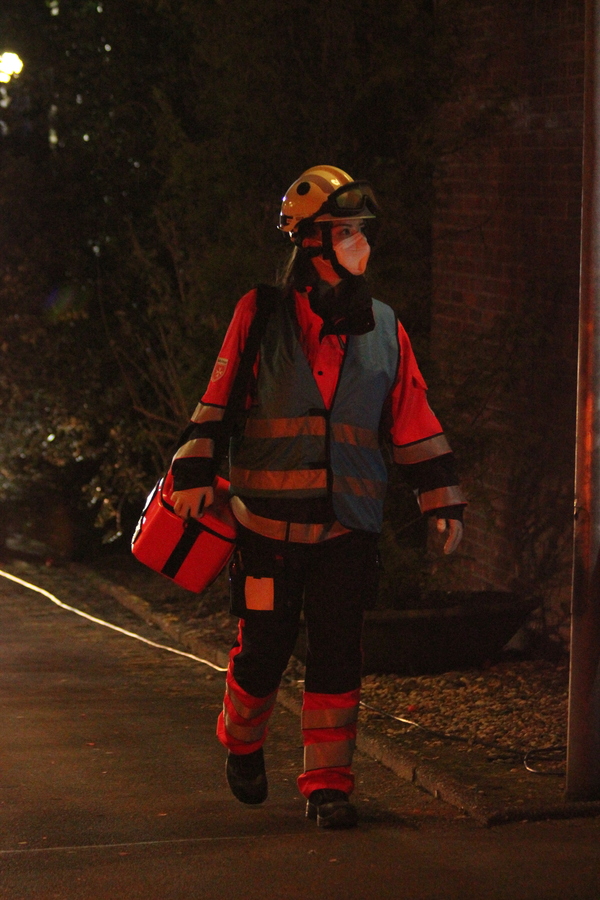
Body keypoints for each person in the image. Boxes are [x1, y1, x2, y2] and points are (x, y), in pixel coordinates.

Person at [169, 165, 466, 828]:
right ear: (312, 241)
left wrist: (441, 499)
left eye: (364, 231)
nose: (363, 243)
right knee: (263, 651)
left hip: (344, 531)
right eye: (349, 231)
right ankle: (241, 743)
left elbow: (413, 416)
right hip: (266, 529)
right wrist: (192, 473)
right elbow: (218, 396)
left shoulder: (384, 327)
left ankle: (328, 785)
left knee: (337, 656)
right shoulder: (260, 314)